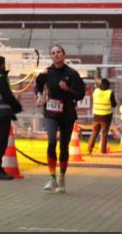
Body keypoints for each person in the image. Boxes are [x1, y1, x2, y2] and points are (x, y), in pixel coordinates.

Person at [34, 44, 86, 193]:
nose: (56, 55)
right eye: (52, 53)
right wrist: (39, 97)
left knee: (64, 146)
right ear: (51, 57)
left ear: (64, 55)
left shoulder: (72, 73)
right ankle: (52, 178)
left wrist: (67, 89)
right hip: (50, 112)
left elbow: (80, 94)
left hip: (67, 114)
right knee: (51, 142)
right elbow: (37, 85)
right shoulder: (47, 72)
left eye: (58, 52)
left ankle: (61, 178)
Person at [87, 77, 117, 155]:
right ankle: (103, 151)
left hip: (96, 116)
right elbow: (114, 104)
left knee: (94, 132)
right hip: (106, 117)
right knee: (104, 133)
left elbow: (92, 100)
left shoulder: (96, 91)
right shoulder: (110, 93)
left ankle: (89, 149)